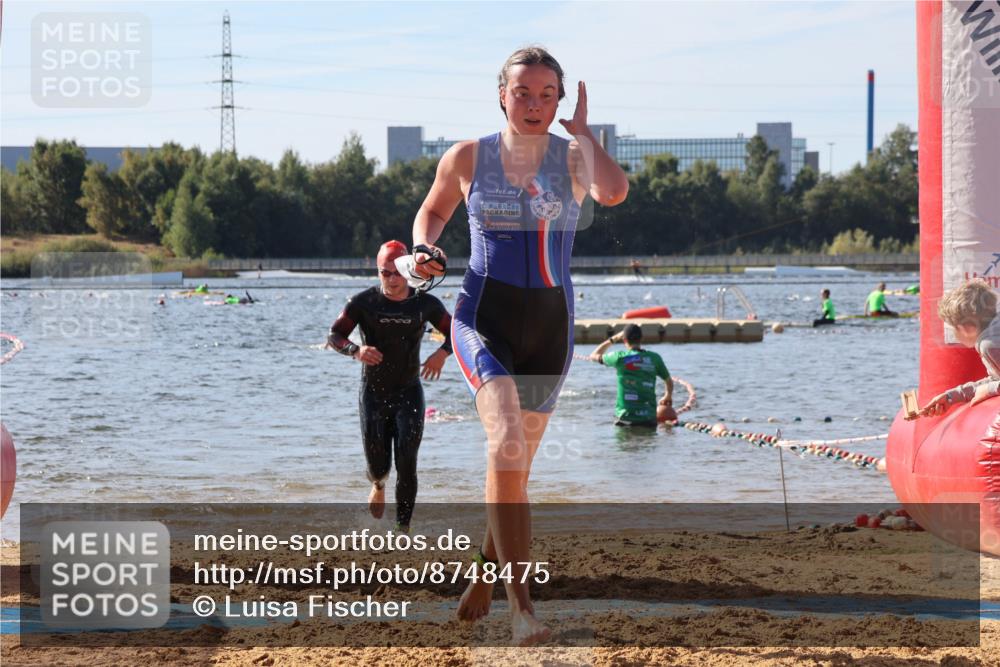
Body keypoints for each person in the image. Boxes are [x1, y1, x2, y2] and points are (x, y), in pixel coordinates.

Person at [409, 46, 628, 645]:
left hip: (553, 328)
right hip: (484, 317)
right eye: (523, 93)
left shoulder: (574, 157)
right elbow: (430, 214)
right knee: (506, 444)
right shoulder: (467, 157)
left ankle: (484, 571)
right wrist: (424, 250)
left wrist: (584, 132)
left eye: (547, 95)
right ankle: (522, 609)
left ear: (559, 101)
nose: (534, 105)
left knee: (514, 471)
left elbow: (613, 193)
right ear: (501, 96)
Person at [326, 240, 453, 532]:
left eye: (397, 272)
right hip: (373, 395)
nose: (392, 280)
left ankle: (402, 529)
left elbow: (456, 332)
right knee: (378, 466)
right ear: (377, 271)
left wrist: (441, 354)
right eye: (385, 273)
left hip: (409, 392)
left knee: (407, 461)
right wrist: (355, 351)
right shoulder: (363, 303)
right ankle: (379, 484)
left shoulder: (425, 304)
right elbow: (335, 335)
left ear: (408, 269)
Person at [920, 281, 999, 416]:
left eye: (952, 328)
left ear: (967, 328)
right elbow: (996, 379)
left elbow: (994, 384)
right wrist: (951, 396)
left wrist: (988, 389)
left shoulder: (990, 343)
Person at [589, 324, 673, 427]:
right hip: (648, 418)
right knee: (647, 443)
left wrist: (613, 339)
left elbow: (593, 355)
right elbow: (668, 381)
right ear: (642, 338)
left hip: (624, 418)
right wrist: (668, 395)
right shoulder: (655, 358)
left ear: (624, 340)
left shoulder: (619, 357)